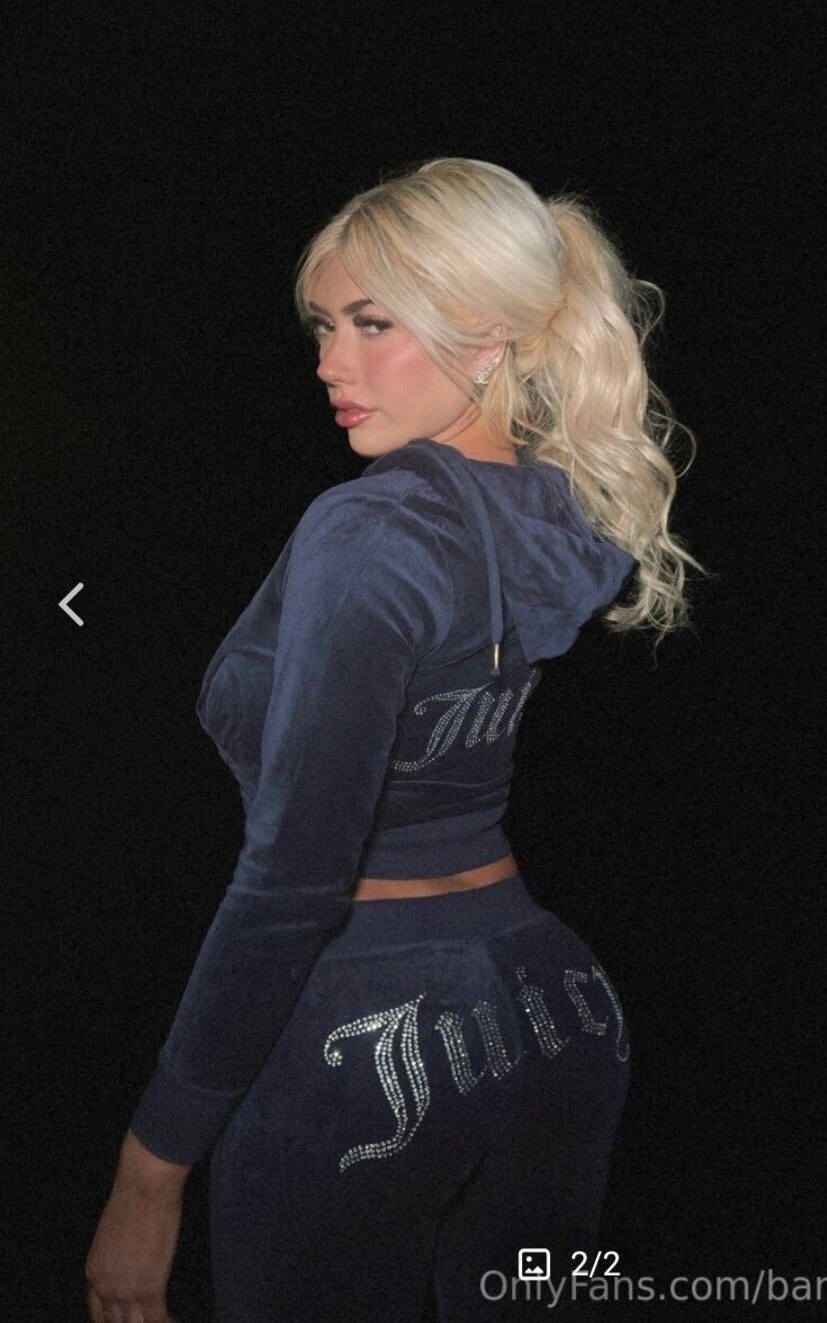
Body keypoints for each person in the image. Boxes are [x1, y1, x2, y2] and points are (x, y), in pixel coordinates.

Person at [85, 157, 708, 1321]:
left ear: (488, 335)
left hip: (371, 1035)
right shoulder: (560, 507)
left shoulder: (372, 530)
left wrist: (148, 1169)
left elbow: (293, 879)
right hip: (557, 1008)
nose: (331, 362)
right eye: (324, 327)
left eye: (373, 323)